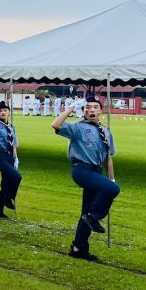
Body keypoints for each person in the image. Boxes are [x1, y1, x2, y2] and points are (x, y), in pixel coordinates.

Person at [52, 95, 120, 261]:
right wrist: (71, 108)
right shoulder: (78, 127)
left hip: (96, 172)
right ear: (83, 111)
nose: (91, 110)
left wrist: (111, 177)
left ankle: (78, 247)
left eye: (95, 107)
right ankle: (93, 217)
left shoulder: (106, 131)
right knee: (112, 191)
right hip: (82, 170)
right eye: (87, 107)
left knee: (87, 211)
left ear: (100, 111)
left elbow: (107, 158)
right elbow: (56, 125)